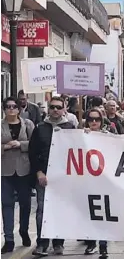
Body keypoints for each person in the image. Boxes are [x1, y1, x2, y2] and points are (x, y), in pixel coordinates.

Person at [29, 96, 75, 256]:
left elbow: (76, 152)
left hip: (63, 176)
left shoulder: (70, 127)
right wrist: (38, 172)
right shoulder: (40, 127)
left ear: (64, 109)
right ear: (49, 109)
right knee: (42, 210)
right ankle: (42, 243)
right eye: (52, 107)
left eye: (58, 107)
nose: (55, 110)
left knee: (59, 209)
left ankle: (58, 243)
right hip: (44, 176)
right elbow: (32, 153)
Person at [1, 97, 35, 254]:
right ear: (4, 109)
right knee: (7, 204)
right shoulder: (1, 126)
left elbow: (35, 143)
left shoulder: (27, 124)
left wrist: (21, 144)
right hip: (5, 170)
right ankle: (8, 239)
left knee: (25, 204)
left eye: (14, 106)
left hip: (24, 169)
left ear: (18, 109)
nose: (11, 109)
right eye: (8, 107)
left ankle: (24, 230)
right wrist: (5, 146)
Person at [82, 109, 110, 257]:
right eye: (91, 119)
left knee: (103, 213)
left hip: (104, 182)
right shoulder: (81, 136)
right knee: (89, 213)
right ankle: (91, 243)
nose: (94, 122)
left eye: (97, 119)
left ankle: (103, 245)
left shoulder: (108, 136)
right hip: (87, 181)